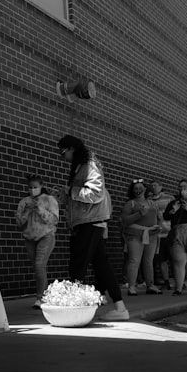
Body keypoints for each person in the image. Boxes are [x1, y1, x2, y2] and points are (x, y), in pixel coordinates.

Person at [56, 134, 129, 320]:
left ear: (72, 148)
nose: (63, 157)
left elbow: (96, 193)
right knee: (101, 266)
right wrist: (65, 195)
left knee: (78, 266)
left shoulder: (88, 165)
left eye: (63, 153)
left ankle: (75, 311)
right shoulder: (82, 165)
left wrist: (71, 192)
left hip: (89, 221)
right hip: (89, 221)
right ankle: (120, 308)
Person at [14, 175, 60, 307]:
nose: (32, 190)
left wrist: (40, 210)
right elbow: (19, 223)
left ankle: (41, 298)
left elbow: (54, 219)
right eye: (30, 187)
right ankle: (44, 294)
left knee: (40, 265)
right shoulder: (24, 202)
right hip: (30, 237)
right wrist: (27, 212)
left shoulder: (49, 200)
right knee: (37, 267)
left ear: (41, 187)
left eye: (35, 187)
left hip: (46, 236)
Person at [120, 179, 162, 295]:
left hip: (151, 235)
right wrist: (139, 214)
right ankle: (132, 286)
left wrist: (159, 226)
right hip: (135, 234)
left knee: (149, 261)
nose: (138, 190)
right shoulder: (131, 203)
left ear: (145, 189)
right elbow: (125, 220)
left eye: (140, 188)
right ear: (132, 191)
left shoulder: (152, 203)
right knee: (134, 260)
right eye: (135, 188)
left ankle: (150, 285)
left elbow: (158, 217)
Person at [149, 181, 175, 290]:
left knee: (175, 258)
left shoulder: (169, 198)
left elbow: (175, 212)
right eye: (152, 185)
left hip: (170, 232)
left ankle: (182, 280)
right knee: (161, 259)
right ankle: (166, 281)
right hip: (158, 234)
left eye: (156, 185)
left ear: (161, 186)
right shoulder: (148, 200)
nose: (154, 187)